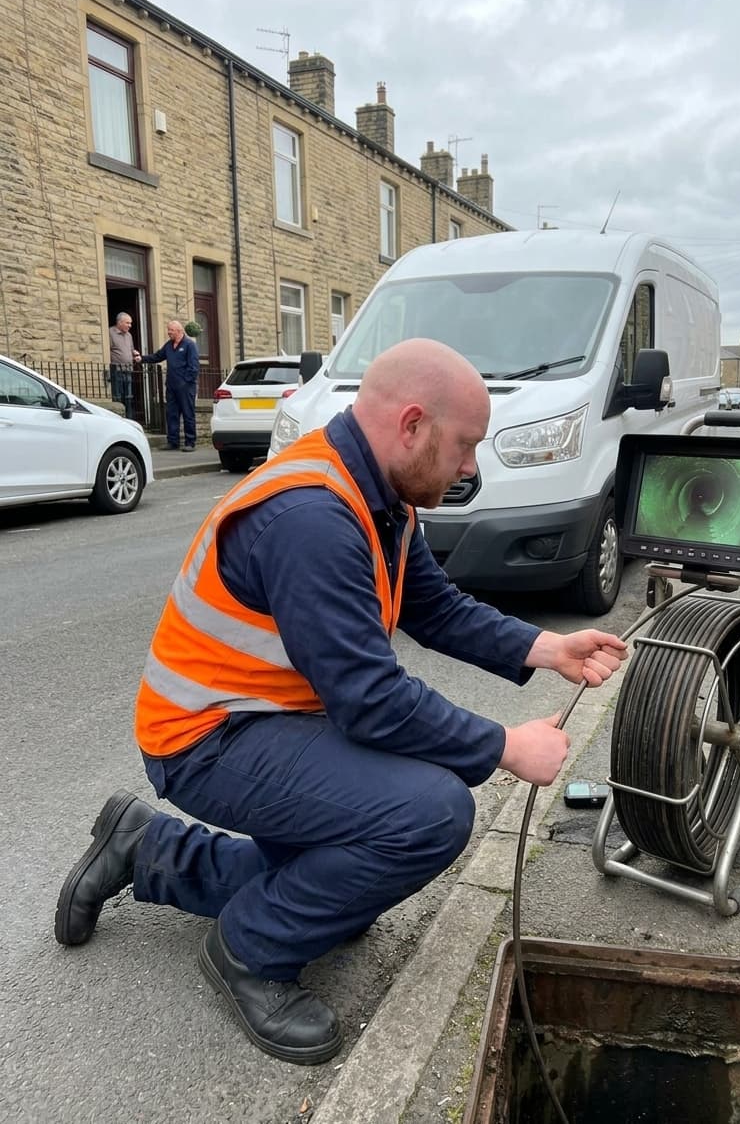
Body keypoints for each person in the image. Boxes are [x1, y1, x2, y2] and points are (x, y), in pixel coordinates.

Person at [54, 339, 628, 1067]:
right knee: (430, 813)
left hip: (270, 717)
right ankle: (249, 950)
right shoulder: (313, 517)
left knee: (336, 883)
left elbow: (437, 609)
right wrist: (505, 747)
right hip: (204, 740)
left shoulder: (379, 496)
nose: (470, 467)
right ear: (413, 424)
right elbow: (371, 701)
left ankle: (148, 848)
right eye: (465, 445)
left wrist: (547, 647)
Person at [133, 319, 199, 450]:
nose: (169, 332)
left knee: (188, 414)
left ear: (179, 331)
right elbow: (158, 356)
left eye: (171, 330)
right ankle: (172, 441)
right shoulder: (169, 345)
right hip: (171, 386)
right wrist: (142, 359)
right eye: (168, 330)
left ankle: (190, 442)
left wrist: (185, 381)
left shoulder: (189, 345)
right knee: (171, 414)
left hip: (185, 387)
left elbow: (194, 367)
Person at [108, 311, 136, 419]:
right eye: (127, 323)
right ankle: (119, 418)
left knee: (129, 397)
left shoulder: (129, 335)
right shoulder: (110, 332)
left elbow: (131, 349)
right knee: (118, 396)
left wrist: (135, 354)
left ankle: (129, 419)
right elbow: (108, 350)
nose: (130, 325)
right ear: (119, 322)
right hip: (117, 371)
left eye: (130, 323)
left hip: (128, 370)